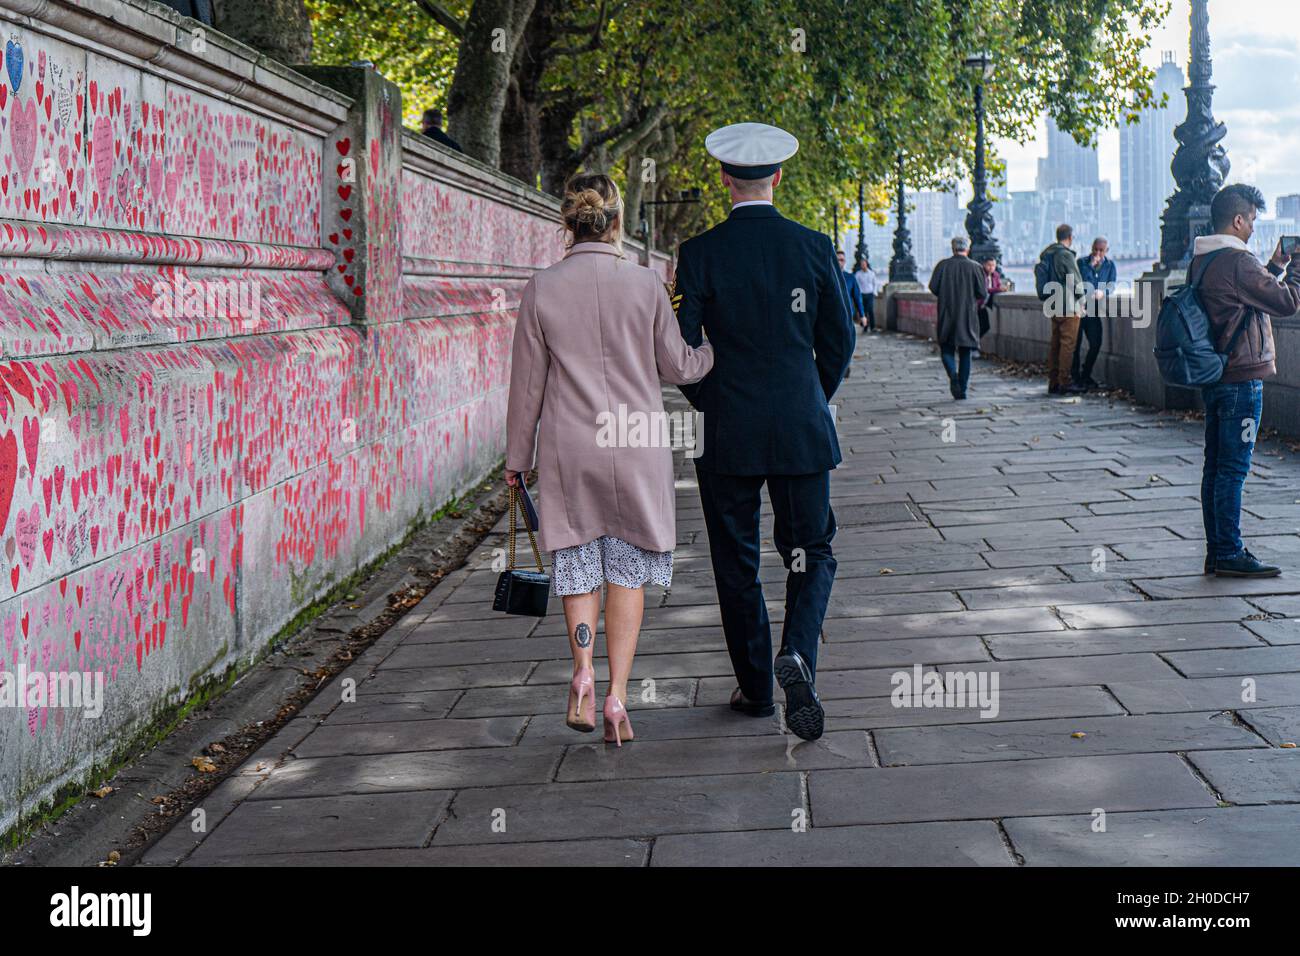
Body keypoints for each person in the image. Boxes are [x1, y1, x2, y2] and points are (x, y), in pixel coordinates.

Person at [505, 172, 713, 744]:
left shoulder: (541, 287)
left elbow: (527, 387)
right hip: (636, 441)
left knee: (577, 562)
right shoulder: (644, 285)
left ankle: (581, 674)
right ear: (619, 222)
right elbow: (678, 367)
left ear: (566, 224)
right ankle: (619, 695)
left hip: (570, 446)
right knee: (627, 568)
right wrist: (713, 347)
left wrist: (516, 459)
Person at [673, 122, 855, 741]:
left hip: (729, 430)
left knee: (737, 559)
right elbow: (840, 340)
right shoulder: (813, 245)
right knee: (812, 550)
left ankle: (755, 691)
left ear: (724, 179)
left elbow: (683, 350)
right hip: (801, 425)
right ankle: (798, 654)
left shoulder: (698, 254)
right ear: (779, 176)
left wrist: (711, 401)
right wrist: (811, 396)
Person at [1192, 183, 1300, 578]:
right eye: (1252, 219)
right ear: (1237, 220)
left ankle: (1217, 550)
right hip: (1241, 379)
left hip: (1218, 376)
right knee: (1233, 470)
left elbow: (1248, 298)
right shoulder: (1237, 261)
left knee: (1216, 468)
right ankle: (1229, 552)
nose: (1254, 227)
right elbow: (1285, 302)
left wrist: (1273, 267)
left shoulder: (1204, 260)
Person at [929, 237, 987, 400]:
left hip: (946, 312)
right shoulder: (975, 267)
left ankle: (953, 377)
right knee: (965, 352)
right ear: (967, 249)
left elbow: (933, 287)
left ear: (952, 248)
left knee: (946, 349)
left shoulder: (942, 265)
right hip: (967, 315)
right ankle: (962, 388)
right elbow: (982, 293)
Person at [1039, 223, 1086, 394]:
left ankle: (1053, 381)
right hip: (1068, 305)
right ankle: (1064, 381)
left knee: (1056, 344)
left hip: (1053, 304)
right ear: (1070, 237)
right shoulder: (1065, 255)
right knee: (1068, 344)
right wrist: (1082, 301)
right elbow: (1074, 279)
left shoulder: (1048, 254)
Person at [1073, 236, 1117, 390]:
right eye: (1095, 249)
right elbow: (1078, 283)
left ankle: (1086, 374)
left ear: (1106, 251)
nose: (1097, 253)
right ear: (1091, 248)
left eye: (1101, 250)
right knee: (1075, 345)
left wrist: (1103, 292)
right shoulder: (1081, 263)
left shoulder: (1110, 265)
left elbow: (1112, 285)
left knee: (1096, 342)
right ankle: (1075, 378)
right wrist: (1091, 267)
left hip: (1094, 309)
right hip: (1080, 307)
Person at [837, 249, 864, 325]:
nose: (839, 262)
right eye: (837, 260)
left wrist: (862, 315)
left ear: (844, 262)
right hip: (830, 316)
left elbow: (857, 297)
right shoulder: (827, 277)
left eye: (841, 260)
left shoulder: (850, 278)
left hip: (847, 316)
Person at [979, 256, 1003, 338]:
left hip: (984, 306)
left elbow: (998, 285)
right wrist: (998, 289)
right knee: (977, 327)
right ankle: (972, 345)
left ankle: (974, 343)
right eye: (989, 265)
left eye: (993, 265)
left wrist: (1001, 288)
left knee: (985, 327)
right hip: (976, 305)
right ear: (984, 265)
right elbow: (984, 289)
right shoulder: (980, 275)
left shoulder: (996, 275)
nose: (991, 267)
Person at [854, 256, 878, 331]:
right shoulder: (858, 274)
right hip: (861, 294)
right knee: (864, 311)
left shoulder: (872, 273)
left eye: (864, 264)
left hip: (870, 294)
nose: (863, 265)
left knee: (870, 310)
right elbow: (856, 284)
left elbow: (875, 283)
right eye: (861, 264)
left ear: (866, 264)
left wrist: (874, 292)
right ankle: (865, 327)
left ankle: (873, 327)